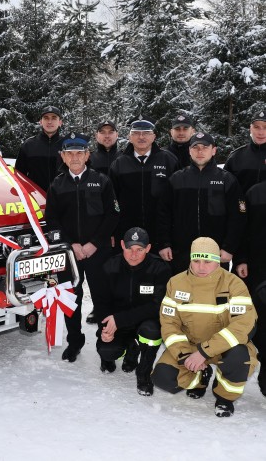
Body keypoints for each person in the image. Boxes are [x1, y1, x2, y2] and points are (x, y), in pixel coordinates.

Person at [152, 237, 258, 418]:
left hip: (225, 347)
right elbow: (169, 324)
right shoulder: (175, 283)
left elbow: (243, 325)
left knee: (239, 360)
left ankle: (224, 398)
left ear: (217, 261)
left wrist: (203, 352)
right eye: (196, 261)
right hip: (190, 346)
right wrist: (185, 354)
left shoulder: (235, 284)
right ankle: (200, 377)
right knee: (163, 377)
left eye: (207, 261)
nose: (201, 267)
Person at [45, 132, 119, 363]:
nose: (75, 157)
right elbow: (52, 220)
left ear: (88, 155)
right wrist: (72, 244)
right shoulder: (57, 184)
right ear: (63, 157)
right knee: (71, 298)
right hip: (71, 253)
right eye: (70, 153)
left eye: (79, 153)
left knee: (102, 299)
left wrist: (94, 244)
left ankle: (105, 344)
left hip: (98, 251)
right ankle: (74, 341)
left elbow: (113, 215)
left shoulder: (102, 180)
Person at [95, 227, 172, 396]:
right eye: (129, 248)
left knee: (152, 332)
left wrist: (120, 319)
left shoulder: (160, 269)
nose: (133, 254)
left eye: (140, 249)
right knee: (107, 351)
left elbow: (157, 306)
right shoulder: (110, 266)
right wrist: (104, 329)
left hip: (144, 322)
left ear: (149, 248)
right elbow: (101, 304)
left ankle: (144, 374)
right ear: (122, 245)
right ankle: (128, 349)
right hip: (117, 324)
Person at [158, 132, 246, 274]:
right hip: (181, 253)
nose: (200, 151)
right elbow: (163, 214)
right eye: (195, 147)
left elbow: (237, 218)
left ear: (213, 150)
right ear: (189, 150)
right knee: (183, 294)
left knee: (213, 294)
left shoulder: (227, 180)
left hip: (215, 254)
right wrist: (164, 243)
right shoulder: (177, 180)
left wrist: (229, 247)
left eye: (205, 147)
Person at [109, 116, 179, 248]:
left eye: (146, 133)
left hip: (161, 232)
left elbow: (177, 199)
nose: (141, 137)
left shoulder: (168, 160)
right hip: (127, 232)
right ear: (130, 137)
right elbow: (112, 201)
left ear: (154, 136)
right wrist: (113, 230)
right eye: (136, 133)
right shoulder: (119, 164)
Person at [87, 119, 122, 324]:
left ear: (117, 135)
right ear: (97, 136)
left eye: (111, 132)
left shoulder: (124, 157)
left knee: (119, 268)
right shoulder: (90, 158)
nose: (107, 135)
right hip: (97, 225)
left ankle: (119, 306)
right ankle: (99, 307)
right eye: (103, 132)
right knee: (98, 271)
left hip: (121, 221)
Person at [235, 179, 266, 396]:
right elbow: (242, 231)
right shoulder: (254, 193)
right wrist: (241, 258)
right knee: (261, 321)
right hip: (258, 268)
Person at [15, 105, 64, 192]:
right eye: (46, 118)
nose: (49, 121)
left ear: (60, 122)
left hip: (62, 198)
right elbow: (19, 175)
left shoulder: (68, 145)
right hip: (35, 197)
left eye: (54, 118)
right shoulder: (29, 145)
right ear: (40, 122)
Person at [224, 109, 266, 193]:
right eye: (256, 127)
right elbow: (225, 189)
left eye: (265, 127)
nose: (261, 132)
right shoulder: (236, 156)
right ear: (250, 129)